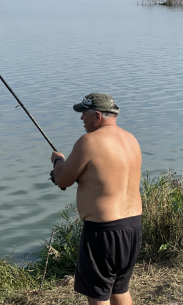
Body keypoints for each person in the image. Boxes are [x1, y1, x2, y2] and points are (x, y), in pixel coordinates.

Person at [50, 93, 142, 305]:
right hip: (133, 227)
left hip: (103, 232)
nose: (81, 118)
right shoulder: (131, 140)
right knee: (120, 288)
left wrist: (58, 161)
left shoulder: (88, 142)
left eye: (84, 113)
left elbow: (63, 179)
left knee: (98, 294)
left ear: (98, 116)